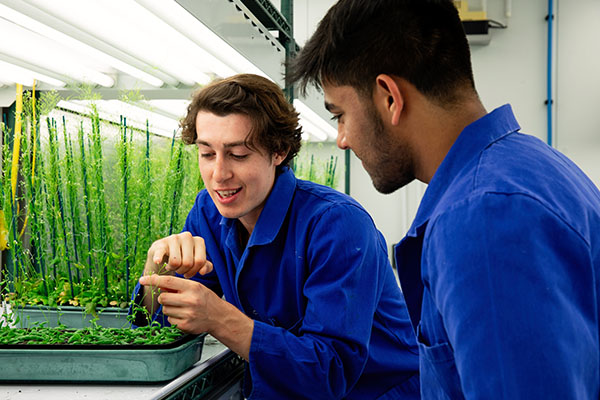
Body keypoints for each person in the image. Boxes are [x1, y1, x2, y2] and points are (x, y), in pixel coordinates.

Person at [288, 0, 600, 399]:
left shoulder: (482, 217)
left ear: (389, 97)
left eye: (340, 115)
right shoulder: (528, 168)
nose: (343, 139)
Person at [131, 73, 420, 399]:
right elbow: (160, 332)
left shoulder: (336, 224)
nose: (219, 174)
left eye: (238, 154)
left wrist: (220, 318)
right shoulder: (209, 214)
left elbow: (330, 371)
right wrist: (158, 271)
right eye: (207, 153)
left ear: (279, 151)